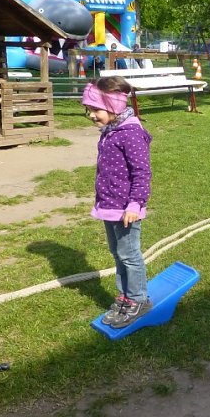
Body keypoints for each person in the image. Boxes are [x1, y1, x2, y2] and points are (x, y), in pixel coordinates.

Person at [81, 77, 153, 329]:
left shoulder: (131, 134)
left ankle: (138, 300)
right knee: (118, 253)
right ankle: (125, 296)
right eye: (88, 109)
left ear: (113, 107)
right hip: (110, 205)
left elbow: (142, 173)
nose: (92, 115)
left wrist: (135, 204)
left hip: (126, 209)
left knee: (129, 255)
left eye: (96, 109)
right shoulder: (111, 131)